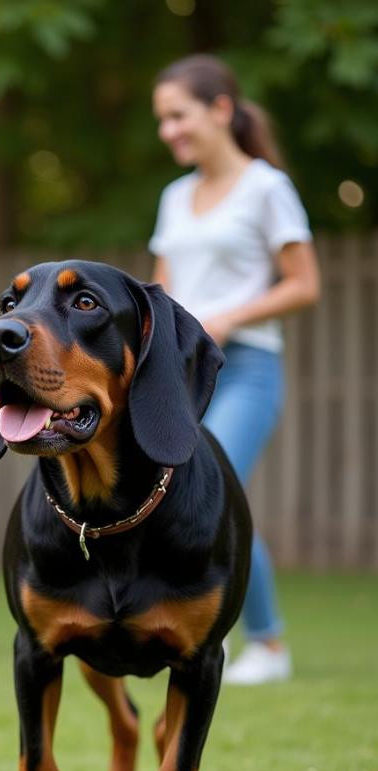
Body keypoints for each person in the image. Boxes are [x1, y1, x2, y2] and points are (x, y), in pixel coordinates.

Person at [150, 55, 320, 684]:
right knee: (176, 494)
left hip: (246, 366)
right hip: (179, 369)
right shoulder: (175, 197)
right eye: (162, 120)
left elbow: (305, 285)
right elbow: (163, 291)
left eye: (178, 115)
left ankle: (268, 645)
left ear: (221, 109)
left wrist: (226, 317)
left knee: (216, 492)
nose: (168, 130)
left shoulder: (266, 188)